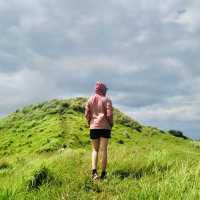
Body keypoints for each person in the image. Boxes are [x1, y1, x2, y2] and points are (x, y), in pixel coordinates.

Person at [85, 81, 113, 180]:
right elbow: (109, 115)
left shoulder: (90, 100)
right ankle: (104, 174)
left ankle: (94, 173)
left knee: (95, 150)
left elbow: (87, 114)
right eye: (105, 90)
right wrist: (111, 123)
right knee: (104, 150)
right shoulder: (107, 100)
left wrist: (90, 123)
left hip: (93, 127)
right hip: (105, 127)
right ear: (103, 90)